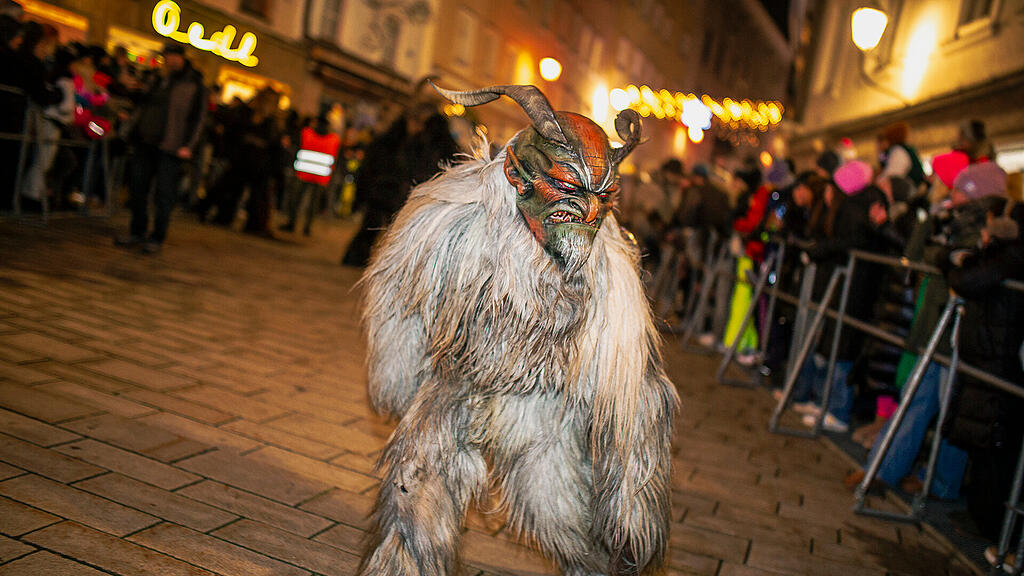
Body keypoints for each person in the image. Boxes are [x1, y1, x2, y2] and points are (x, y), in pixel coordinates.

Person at [116, 43, 207, 254]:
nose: (169, 60)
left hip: (171, 146)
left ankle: (157, 236)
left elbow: (198, 119)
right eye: (167, 56)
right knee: (138, 188)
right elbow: (142, 102)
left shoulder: (194, 84)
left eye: (173, 56)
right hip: (145, 140)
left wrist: (188, 145)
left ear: (181, 58)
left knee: (164, 194)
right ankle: (137, 231)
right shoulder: (157, 79)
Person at [282, 113, 341, 236]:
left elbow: (297, 149)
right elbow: (335, 159)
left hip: (303, 173)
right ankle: (307, 228)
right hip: (320, 177)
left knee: (296, 200)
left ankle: (291, 223)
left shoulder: (306, 133)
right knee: (312, 205)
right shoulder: (334, 139)